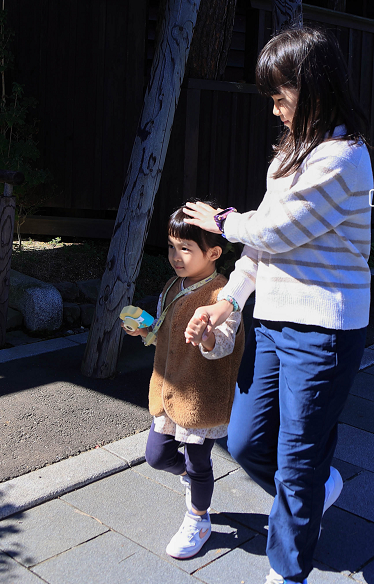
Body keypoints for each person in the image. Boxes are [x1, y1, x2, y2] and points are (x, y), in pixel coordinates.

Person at [183, 25, 373, 584]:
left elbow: (278, 229)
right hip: (273, 323)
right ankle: (317, 486)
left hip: (324, 330)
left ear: (312, 88)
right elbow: (263, 248)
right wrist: (229, 302)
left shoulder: (344, 157)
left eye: (280, 96)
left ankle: (287, 573)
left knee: (297, 458)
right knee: (245, 442)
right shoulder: (289, 157)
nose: (274, 109)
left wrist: (220, 222)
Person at [122, 203, 245, 561]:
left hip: (201, 397)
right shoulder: (174, 284)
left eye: (186, 249)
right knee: (156, 455)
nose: (176, 256)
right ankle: (192, 481)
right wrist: (145, 327)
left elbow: (224, 343)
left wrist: (206, 335)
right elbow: (165, 331)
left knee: (198, 462)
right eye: (172, 247)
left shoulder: (223, 294)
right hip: (168, 389)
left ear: (214, 253)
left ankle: (198, 518)